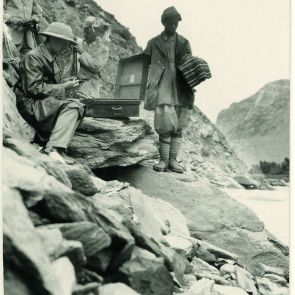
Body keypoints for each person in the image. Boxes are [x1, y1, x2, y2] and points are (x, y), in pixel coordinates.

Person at [17, 22, 85, 164]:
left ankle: (54, 147)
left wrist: (65, 85)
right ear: (54, 39)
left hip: (39, 102)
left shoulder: (48, 56)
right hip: (30, 104)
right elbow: (33, 88)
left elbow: (47, 85)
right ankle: (53, 149)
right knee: (73, 106)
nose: (66, 47)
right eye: (65, 43)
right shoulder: (34, 56)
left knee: (78, 105)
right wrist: (63, 87)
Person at [144, 6, 195, 173]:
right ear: (164, 23)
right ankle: (163, 160)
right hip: (163, 85)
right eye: (171, 23)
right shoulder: (153, 43)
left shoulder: (184, 42)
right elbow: (143, 62)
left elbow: (190, 64)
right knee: (165, 123)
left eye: (176, 23)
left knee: (179, 124)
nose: (174, 26)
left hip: (181, 86)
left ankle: (173, 161)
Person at [74, 16, 111, 99]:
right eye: (84, 30)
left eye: (88, 32)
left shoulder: (103, 50)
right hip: (74, 84)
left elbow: (96, 65)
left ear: (96, 34)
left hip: (90, 87)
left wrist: (82, 52)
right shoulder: (80, 43)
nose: (84, 34)